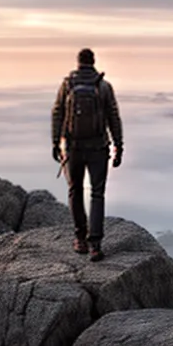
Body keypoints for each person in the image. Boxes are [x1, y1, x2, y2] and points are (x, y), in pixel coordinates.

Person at [51, 48, 123, 261]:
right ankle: (95, 245)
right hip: (98, 148)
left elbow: (58, 113)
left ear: (78, 63)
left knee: (75, 190)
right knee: (97, 194)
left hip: (73, 147)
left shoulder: (67, 85)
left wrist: (56, 142)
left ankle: (80, 238)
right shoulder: (103, 86)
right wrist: (119, 145)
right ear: (93, 63)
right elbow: (113, 117)